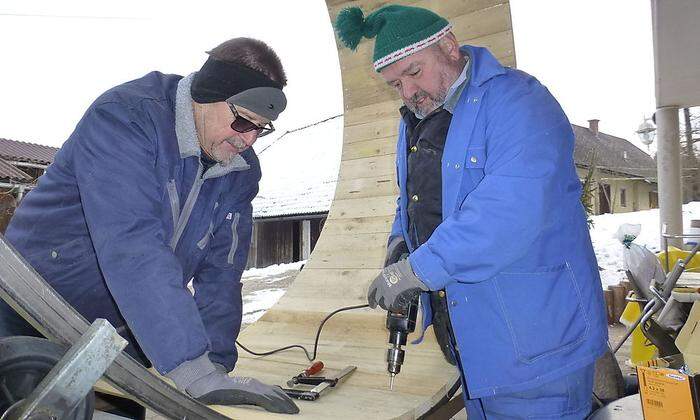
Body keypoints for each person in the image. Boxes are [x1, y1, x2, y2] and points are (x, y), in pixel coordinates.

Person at [336, 5, 607, 419]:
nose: (408, 92)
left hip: (536, 344)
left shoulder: (518, 101)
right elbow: (413, 199)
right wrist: (399, 244)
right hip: (476, 344)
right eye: (395, 84)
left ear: (448, 46)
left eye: (414, 72)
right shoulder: (419, 118)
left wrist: (416, 270)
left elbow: (508, 211)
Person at [1, 37, 298, 414]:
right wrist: (191, 369)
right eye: (242, 120)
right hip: (32, 308)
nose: (249, 139)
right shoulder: (126, 117)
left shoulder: (240, 171)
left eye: (261, 128)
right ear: (208, 93)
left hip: (124, 335)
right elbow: (132, 245)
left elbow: (222, 271)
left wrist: (215, 368)